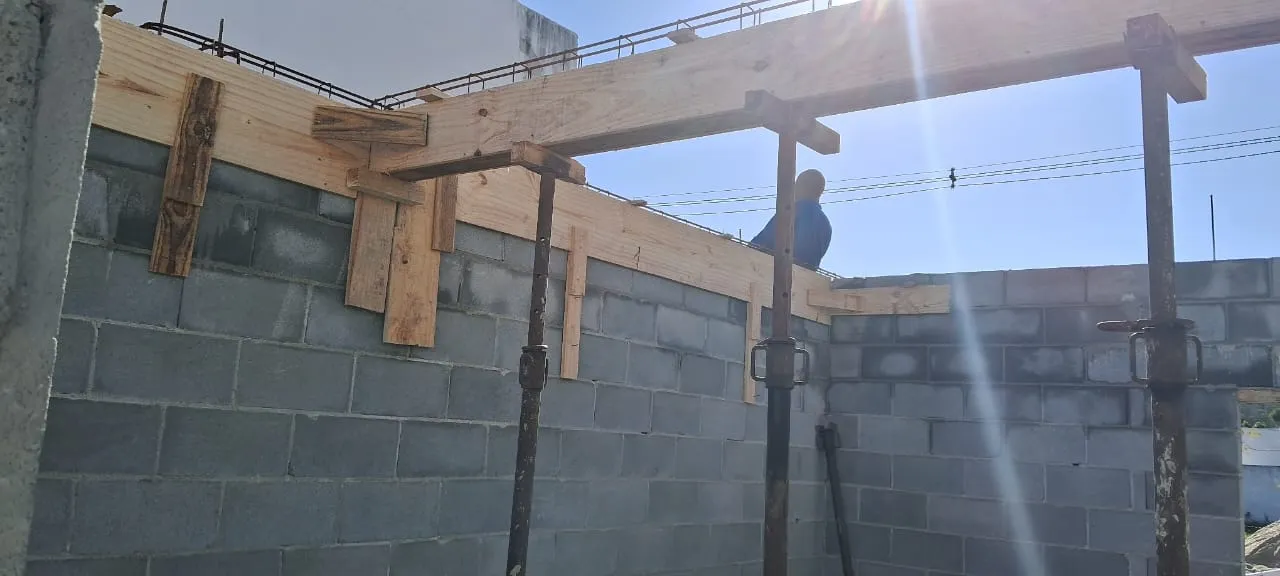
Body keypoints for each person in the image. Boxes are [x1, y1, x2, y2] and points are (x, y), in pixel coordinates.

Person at [749, 169, 832, 270]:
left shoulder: (793, 211)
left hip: (775, 275)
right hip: (805, 278)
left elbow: (760, 243)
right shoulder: (826, 224)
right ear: (821, 191)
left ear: (799, 187)